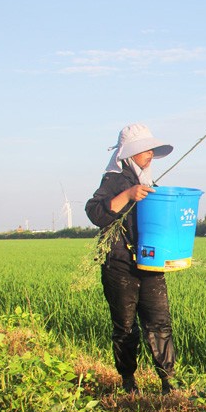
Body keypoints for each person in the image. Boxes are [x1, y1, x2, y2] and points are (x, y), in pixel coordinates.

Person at [85, 124, 178, 395]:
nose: (149, 153)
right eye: (143, 149)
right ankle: (129, 382)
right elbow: (94, 212)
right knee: (125, 326)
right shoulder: (114, 180)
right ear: (128, 154)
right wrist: (127, 195)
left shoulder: (148, 183)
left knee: (160, 322)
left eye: (150, 149)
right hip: (120, 263)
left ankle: (168, 382)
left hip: (149, 262)